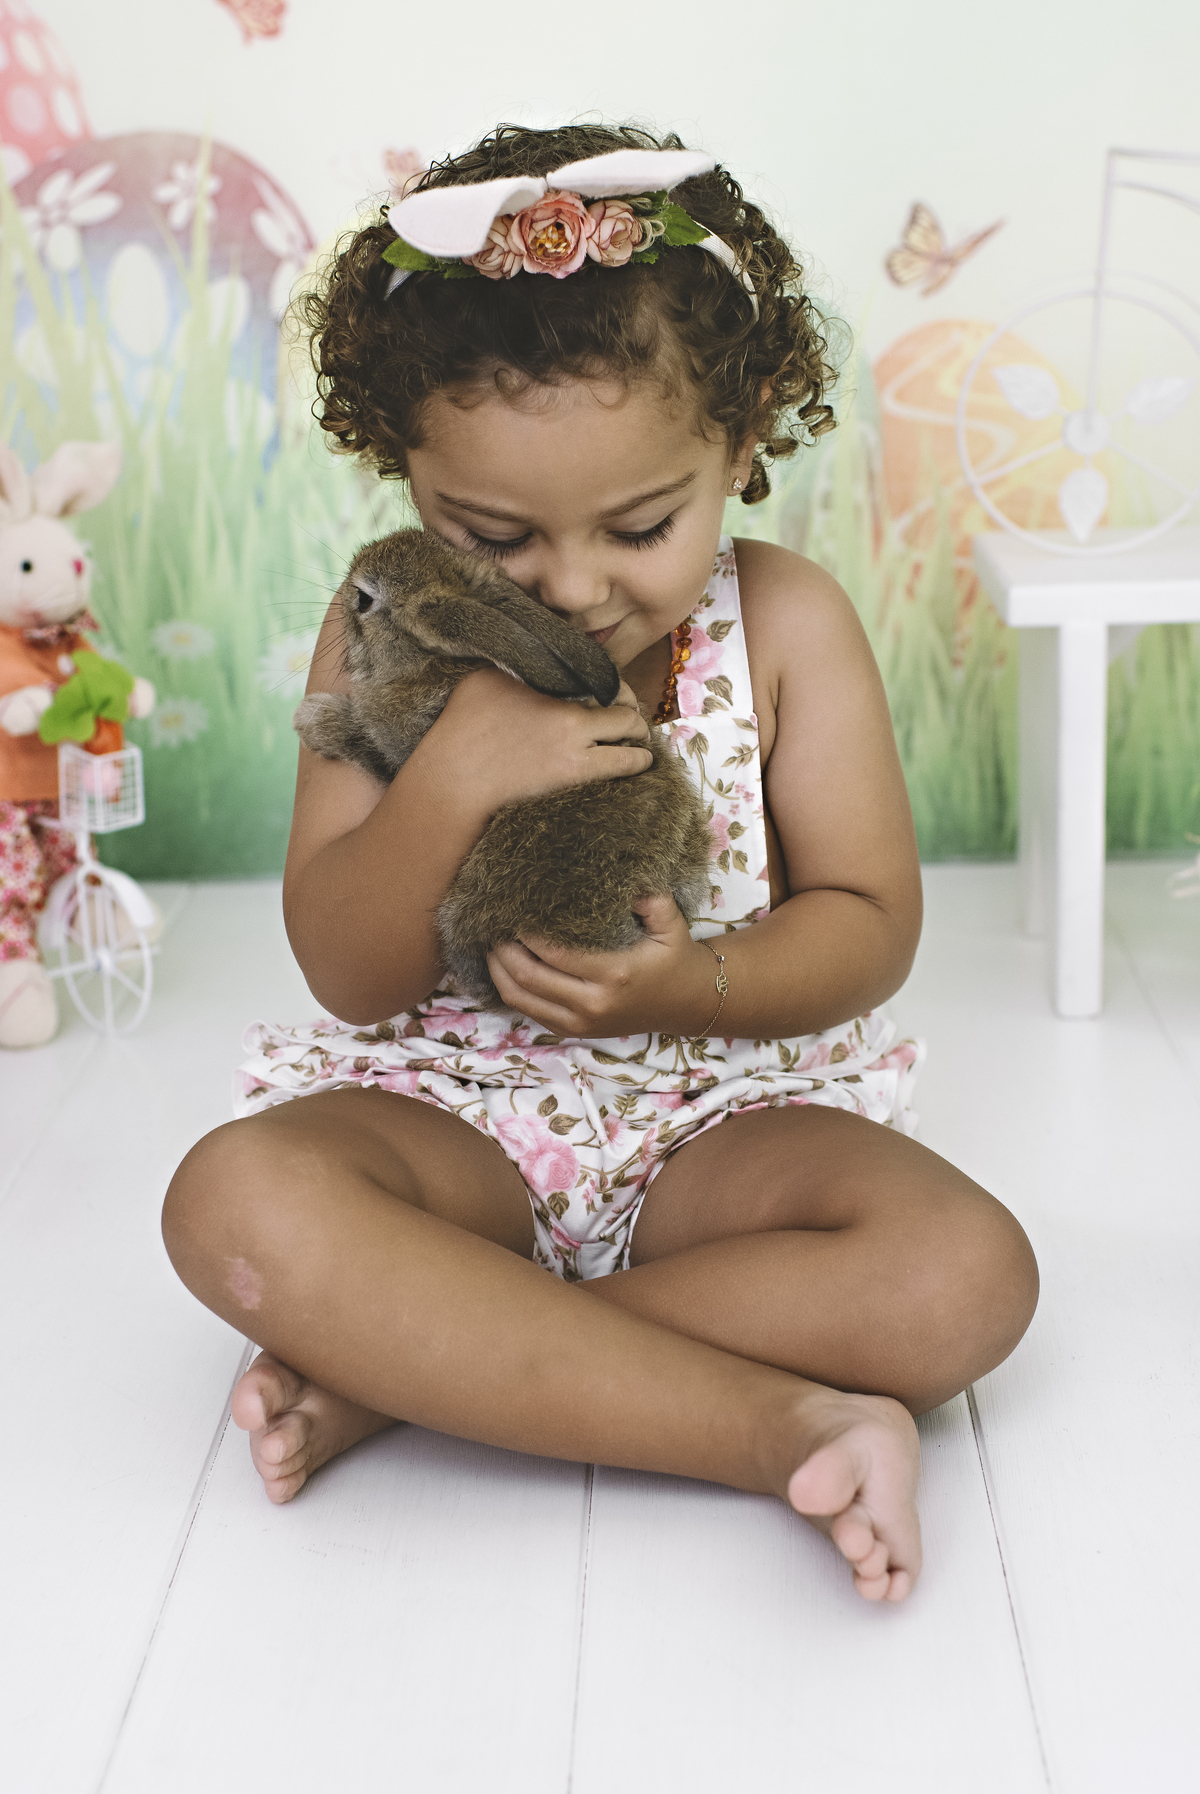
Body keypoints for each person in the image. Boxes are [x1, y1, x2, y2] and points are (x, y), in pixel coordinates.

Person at [162, 123, 1038, 1605]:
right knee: (230, 1199)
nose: (573, 586)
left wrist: (689, 986)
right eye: (491, 534)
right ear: (408, 469)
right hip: (452, 1115)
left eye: (641, 526)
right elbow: (347, 970)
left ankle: (420, 1362)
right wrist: (451, 776)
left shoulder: (789, 625)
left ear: (740, 449)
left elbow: (869, 919)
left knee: (965, 1273)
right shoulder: (382, 626)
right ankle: (776, 1423)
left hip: (721, 1121)